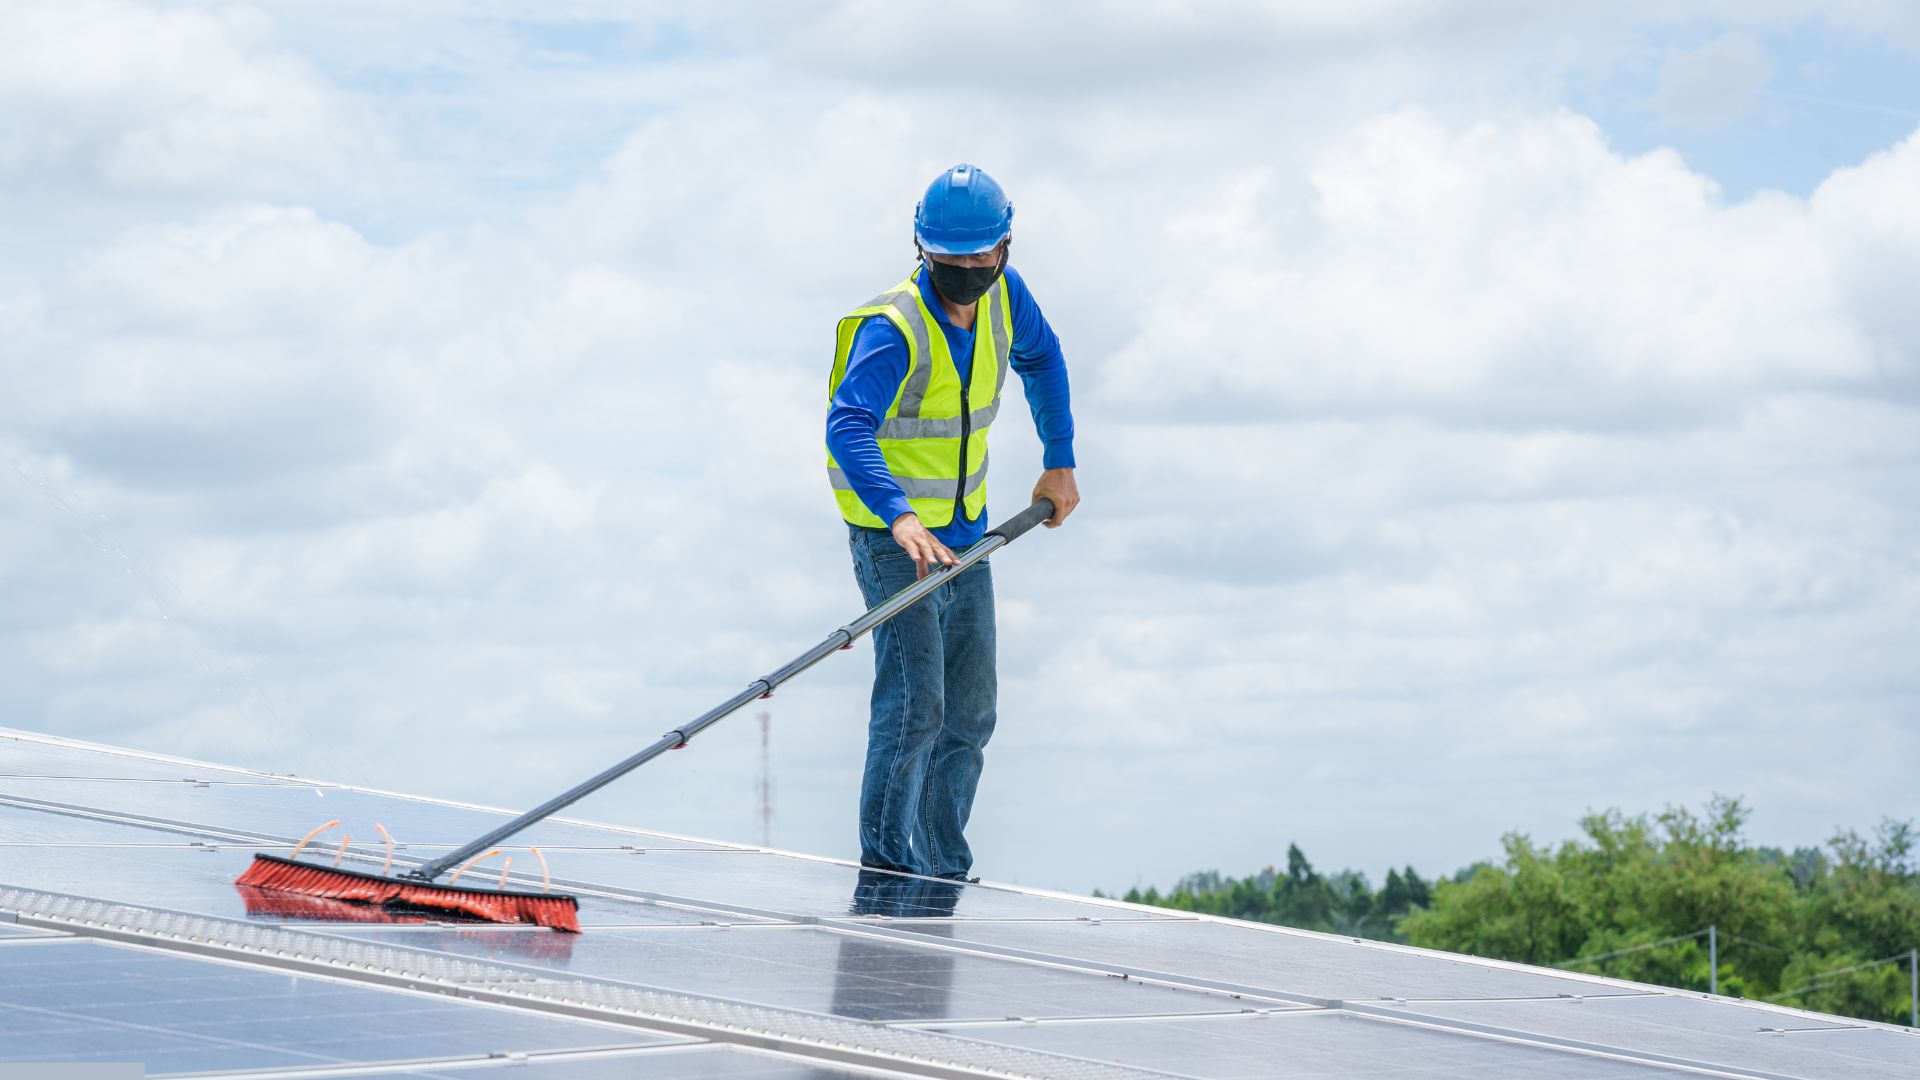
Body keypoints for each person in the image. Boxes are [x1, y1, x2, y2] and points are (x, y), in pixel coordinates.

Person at [825, 163, 1079, 880]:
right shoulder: (893, 327)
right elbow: (847, 426)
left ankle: (942, 874)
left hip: (965, 533)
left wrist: (1059, 460)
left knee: (969, 715)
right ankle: (886, 875)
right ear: (921, 246)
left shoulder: (1006, 297)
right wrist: (898, 516)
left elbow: (1045, 359)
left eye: (981, 256)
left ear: (1005, 246)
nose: (968, 270)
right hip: (894, 539)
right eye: (951, 259)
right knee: (916, 709)